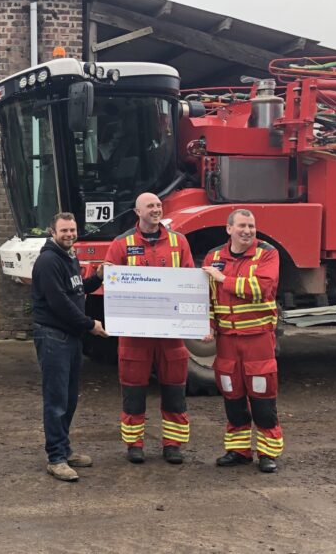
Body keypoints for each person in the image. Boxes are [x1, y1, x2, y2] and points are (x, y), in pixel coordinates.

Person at [104, 192, 194, 464]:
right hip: (135, 335)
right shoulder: (122, 244)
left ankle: (173, 445)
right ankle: (134, 445)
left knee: (175, 389)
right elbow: (111, 284)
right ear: (137, 211)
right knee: (133, 390)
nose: (156, 210)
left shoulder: (179, 242)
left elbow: (190, 280)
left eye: (158, 205)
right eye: (150, 206)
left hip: (171, 333)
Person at [201, 209, 283, 473]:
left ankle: (268, 453)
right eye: (242, 226)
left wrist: (224, 279)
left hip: (257, 338)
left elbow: (262, 288)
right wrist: (209, 325)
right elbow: (208, 297)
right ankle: (238, 451)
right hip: (227, 340)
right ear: (229, 229)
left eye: (251, 226)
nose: (247, 231)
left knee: (262, 395)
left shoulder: (267, 253)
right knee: (231, 393)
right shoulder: (213, 257)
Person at [31, 212, 108, 482]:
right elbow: (59, 303)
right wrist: (89, 324)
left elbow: (77, 290)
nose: (69, 234)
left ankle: (64, 449)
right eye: (64, 230)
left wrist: (96, 278)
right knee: (56, 401)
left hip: (70, 337)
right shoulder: (48, 261)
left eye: (73, 230)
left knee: (69, 397)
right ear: (52, 232)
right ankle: (56, 458)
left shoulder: (69, 256)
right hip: (54, 337)